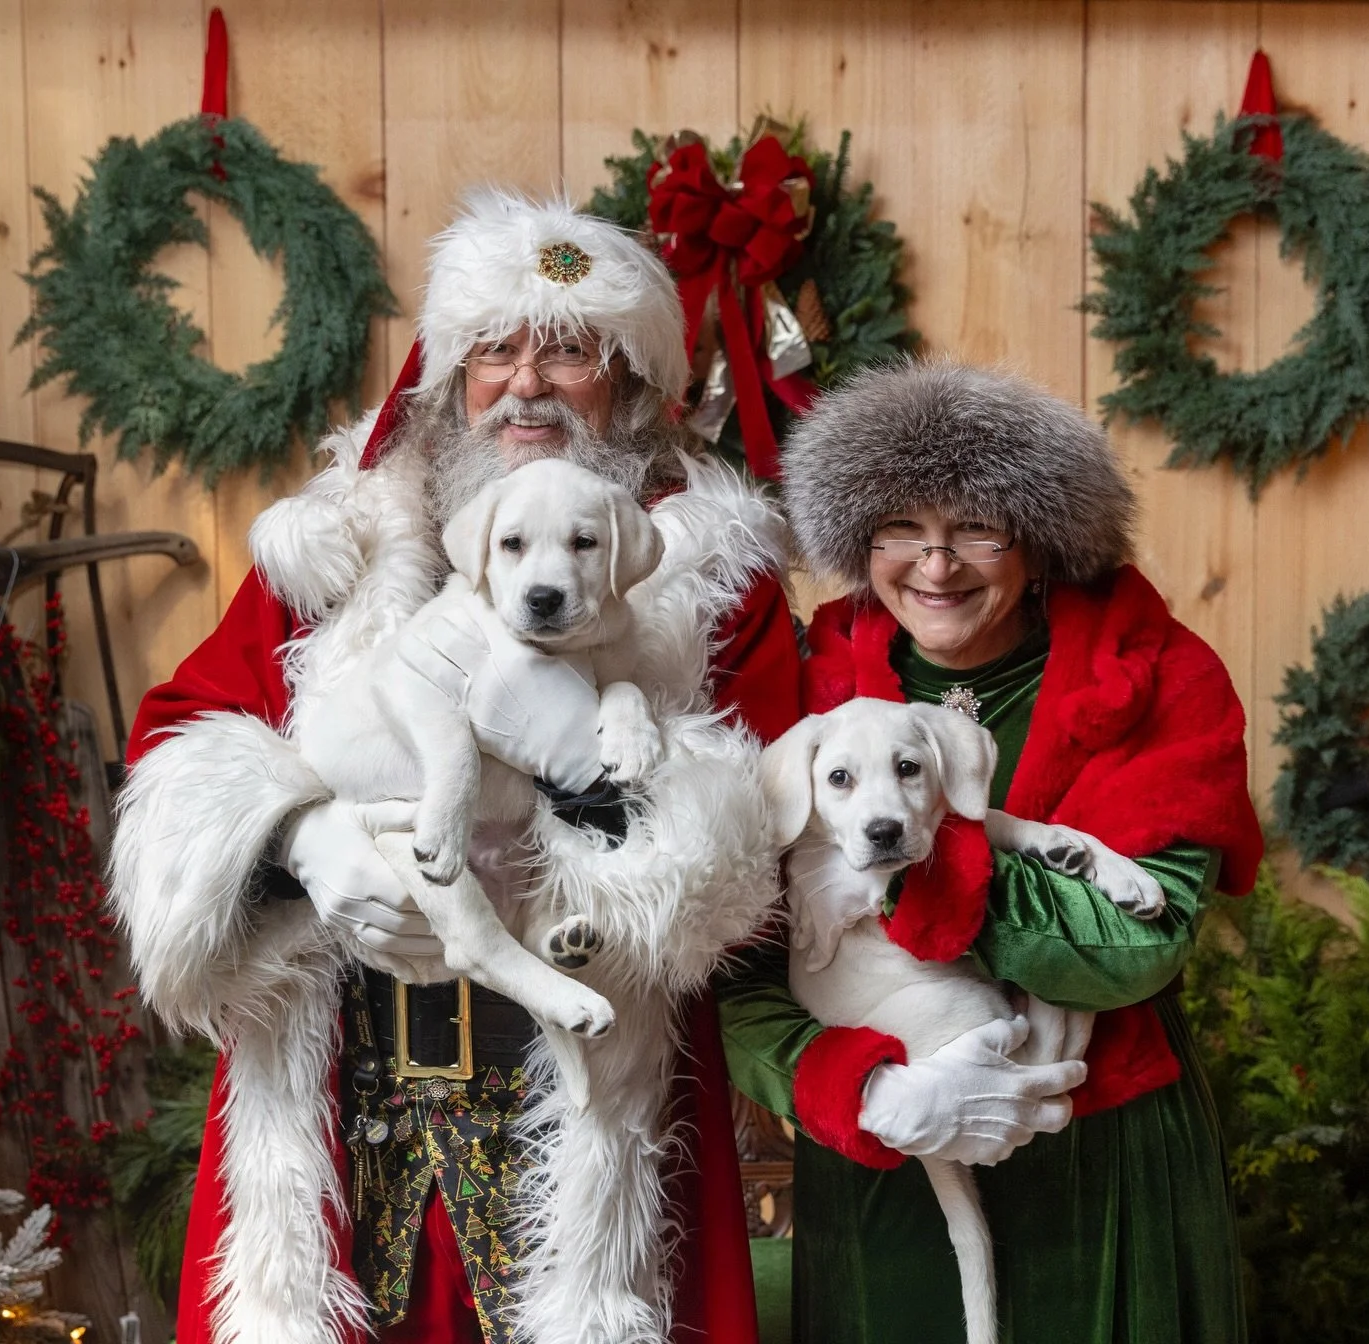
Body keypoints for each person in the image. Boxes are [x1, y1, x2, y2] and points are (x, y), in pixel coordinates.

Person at [109, 190, 800, 1344]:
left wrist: (588, 770)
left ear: (628, 384)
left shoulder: (711, 581)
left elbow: (770, 847)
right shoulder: (339, 550)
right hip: (344, 1100)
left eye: (569, 351)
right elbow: (183, 740)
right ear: (449, 377)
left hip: (579, 1096)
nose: (525, 382)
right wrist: (297, 846)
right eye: (493, 349)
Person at [718, 359, 1264, 1344]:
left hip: (1098, 1167)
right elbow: (733, 963)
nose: (937, 566)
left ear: (1042, 537)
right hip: (891, 1161)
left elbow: (1135, 947)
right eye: (900, 530)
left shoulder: (1158, 675)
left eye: (977, 527)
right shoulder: (805, 685)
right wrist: (870, 1092)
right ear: (859, 541)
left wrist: (900, 873)